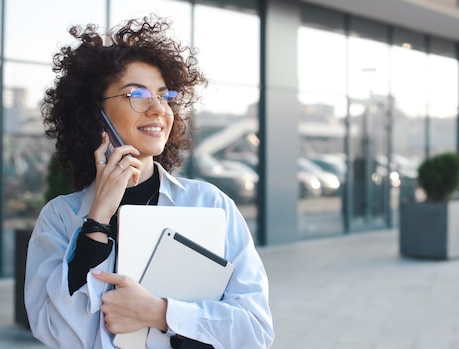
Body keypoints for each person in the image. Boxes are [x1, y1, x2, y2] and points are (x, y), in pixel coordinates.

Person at [24, 15, 274, 349]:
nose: (159, 109)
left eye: (165, 95)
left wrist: (160, 313)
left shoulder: (210, 205)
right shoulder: (60, 218)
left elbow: (255, 331)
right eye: (137, 95)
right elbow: (57, 334)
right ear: (94, 112)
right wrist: (96, 221)